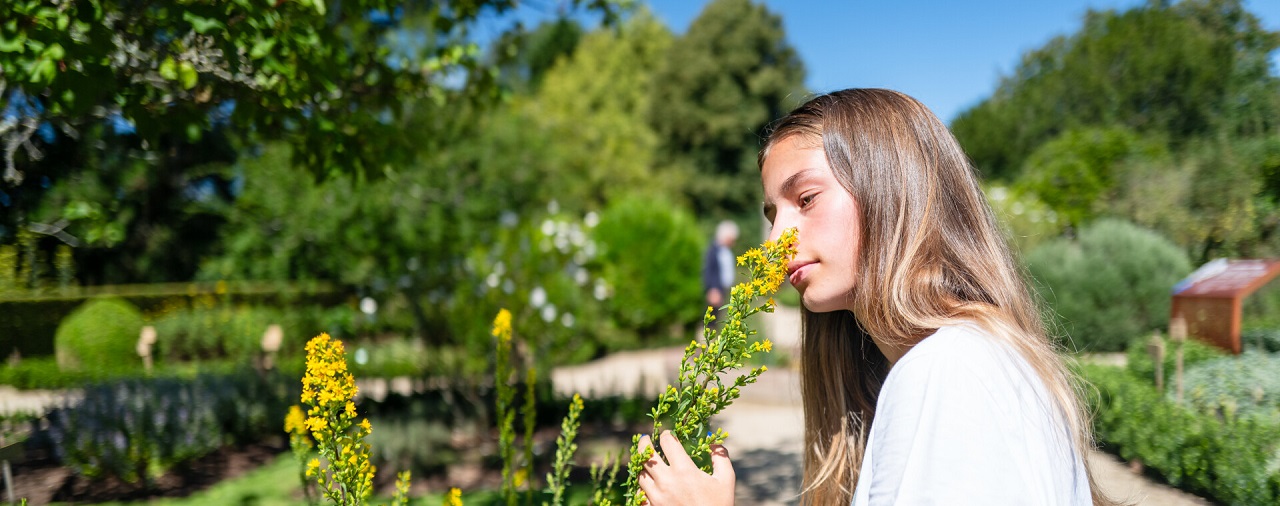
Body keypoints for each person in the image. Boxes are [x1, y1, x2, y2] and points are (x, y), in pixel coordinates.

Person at [637, 89, 1116, 505]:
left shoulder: (949, 371)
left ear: (891, 188)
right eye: (771, 214)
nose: (775, 240)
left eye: (805, 199)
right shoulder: (943, 366)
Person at [702, 220, 739, 323]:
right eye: (731, 239)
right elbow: (709, 271)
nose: (733, 242)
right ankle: (705, 337)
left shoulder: (726, 250)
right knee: (711, 319)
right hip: (716, 289)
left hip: (723, 289)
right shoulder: (713, 250)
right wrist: (712, 289)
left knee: (719, 318)